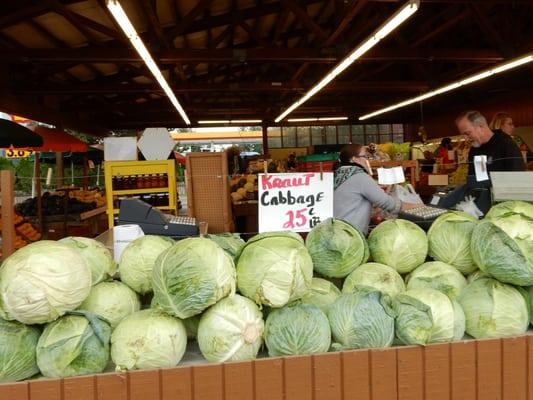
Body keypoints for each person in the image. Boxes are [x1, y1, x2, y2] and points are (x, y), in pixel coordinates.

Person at [439, 110, 526, 214]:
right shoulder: (475, 149)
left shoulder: (506, 145)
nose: (466, 138)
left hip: (504, 209)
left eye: (467, 133)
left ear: (480, 126)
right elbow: (475, 182)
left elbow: (518, 182)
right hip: (481, 208)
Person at [333, 144, 419, 234]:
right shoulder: (359, 176)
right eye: (365, 156)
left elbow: (351, 203)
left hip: (338, 231)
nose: (368, 160)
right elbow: (387, 203)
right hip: (352, 234)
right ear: (355, 159)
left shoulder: (339, 174)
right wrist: (417, 206)